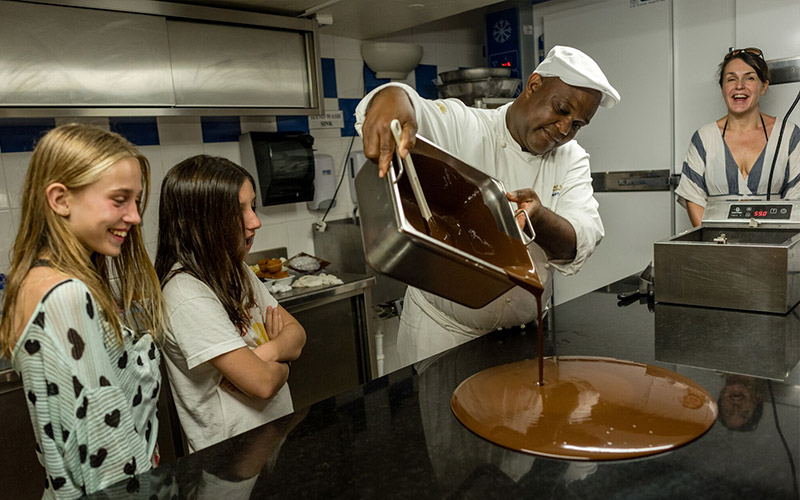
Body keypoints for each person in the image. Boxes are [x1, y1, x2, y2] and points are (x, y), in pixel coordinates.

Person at [355, 45, 620, 366]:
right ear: (533, 85)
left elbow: (582, 238)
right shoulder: (466, 124)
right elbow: (409, 106)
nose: (565, 129)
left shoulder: (571, 157)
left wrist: (539, 219)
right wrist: (392, 96)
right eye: (562, 110)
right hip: (444, 334)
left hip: (525, 333)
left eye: (577, 124)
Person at [0, 124, 166, 498]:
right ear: (60, 199)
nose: (135, 216)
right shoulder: (65, 298)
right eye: (119, 199)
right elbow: (108, 457)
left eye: (136, 201)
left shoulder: (40, 281)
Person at [155, 154, 306, 453]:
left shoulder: (234, 268)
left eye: (253, 206)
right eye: (239, 211)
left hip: (270, 439)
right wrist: (283, 364)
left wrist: (268, 353)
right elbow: (262, 384)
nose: (255, 221)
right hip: (232, 460)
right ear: (200, 221)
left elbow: (297, 335)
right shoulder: (186, 292)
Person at [676, 47, 800, 226]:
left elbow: (796, 202)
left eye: (749, 78)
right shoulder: (704, 138)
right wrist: (720, 247)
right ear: (722, 88)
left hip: (774, 246)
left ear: (763, 86)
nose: (739, 85)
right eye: (731, 79)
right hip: (717, 247)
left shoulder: (789, 135)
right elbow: (693, 198)